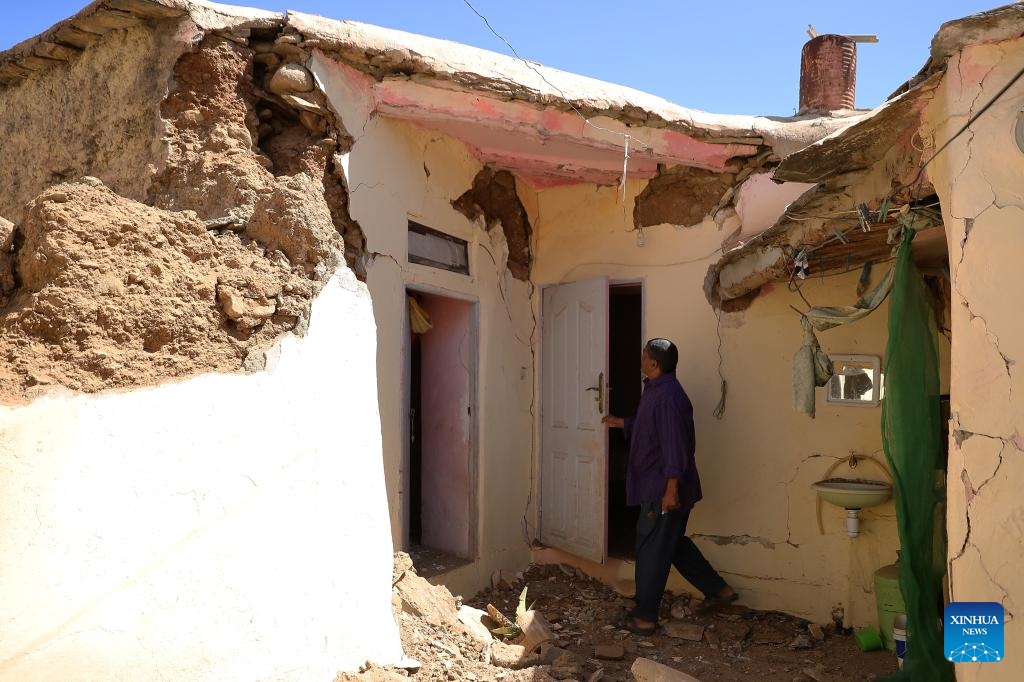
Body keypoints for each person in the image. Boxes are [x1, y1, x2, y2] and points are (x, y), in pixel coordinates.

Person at [602, 338, 737, 635]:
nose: (640, 358)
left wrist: (671, 488)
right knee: (672, 542)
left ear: (654, 363)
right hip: (659, 484)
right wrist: (621, 423)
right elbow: (649, 426)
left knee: (650, 547)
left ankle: (645, 617)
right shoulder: (656, 390)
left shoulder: (668, 397)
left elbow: (675, 446)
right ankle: (720, 591)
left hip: (661, 487)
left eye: (644, 354)